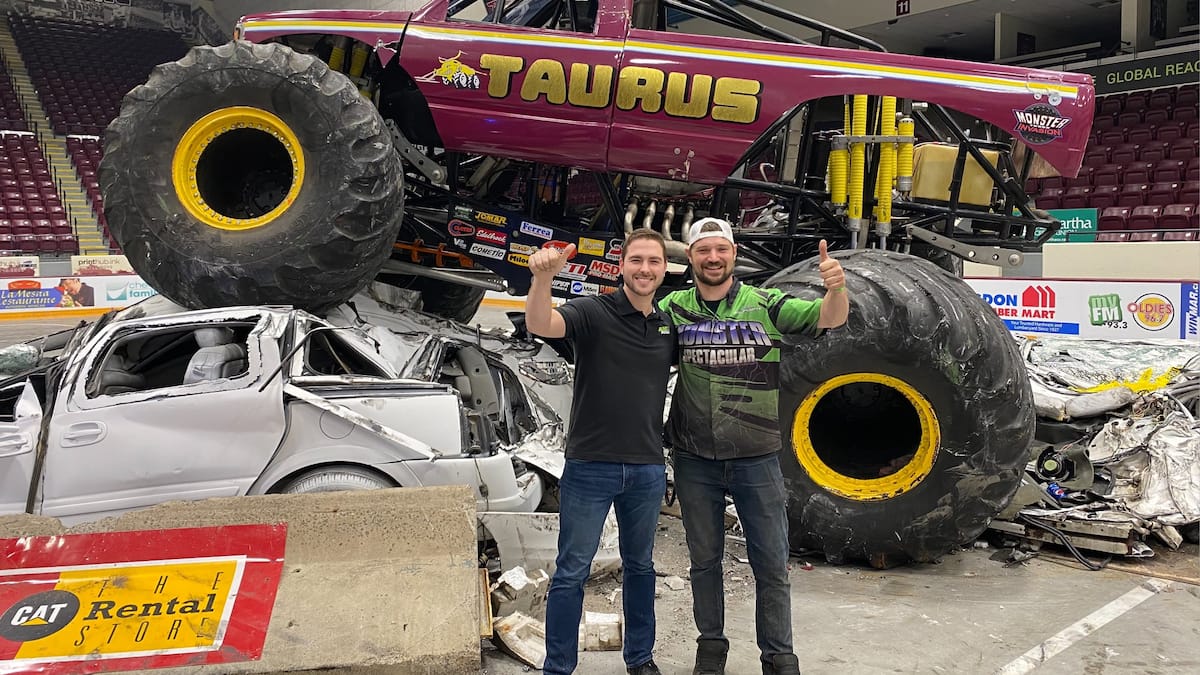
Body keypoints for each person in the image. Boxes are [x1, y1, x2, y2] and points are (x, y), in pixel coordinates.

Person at [659, 217, 849, 675]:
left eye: (720, 249)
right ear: (690, 257)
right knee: (704, 561)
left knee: (771, 562)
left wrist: (836, 288)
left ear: (734, 253)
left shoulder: (765, 303)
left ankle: (779, 656)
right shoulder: (672, 308)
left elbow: (830, 317)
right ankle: (711, 649)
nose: (713, 258)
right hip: (694, 458)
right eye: (703, 250)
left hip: (756, 457)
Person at [524, 228, 674, 675]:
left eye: (654, 261)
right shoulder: (594, 311)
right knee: (572, 570)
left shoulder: (667, 324)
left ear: (665, 268)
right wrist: (543, 280)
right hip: (591, 465)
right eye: (636, 260)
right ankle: (558, 666)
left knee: (640, 568)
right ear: (621, 265)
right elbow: (541, 324)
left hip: (646, 468)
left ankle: (640, 658)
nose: (645, 269)